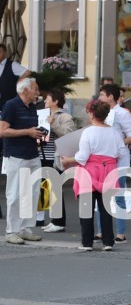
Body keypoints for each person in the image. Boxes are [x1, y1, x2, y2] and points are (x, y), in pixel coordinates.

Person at [61, 101, 129, 251]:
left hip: (89, 171)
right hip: (109, 170)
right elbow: (122, 152)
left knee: (87, 208)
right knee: (105, 208)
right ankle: (108, 242)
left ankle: (87, 242)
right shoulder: (114, 132)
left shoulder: (88, 132)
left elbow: (82, 157)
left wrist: (68, 160)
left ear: (91, 113)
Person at [0, 78, 43, 244]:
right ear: (25, 90)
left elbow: (32, 131)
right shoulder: (11, 105)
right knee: (15, 194)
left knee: (32, 193)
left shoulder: (32, 107)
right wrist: (28, 132)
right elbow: (2, 131)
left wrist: (38, 136)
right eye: (35, 89)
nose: (38, 93)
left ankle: (25, 228)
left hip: (32, 154)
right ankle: (11, 231)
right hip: (16, 156)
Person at [97, 83, 131, 242]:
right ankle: (101, 231)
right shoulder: (100, 112)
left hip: (119, 160)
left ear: (110, 97)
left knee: (119, 196)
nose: (99, 98)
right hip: (103, 160)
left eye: (101, 95)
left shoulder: (122, 113)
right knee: (101, 196)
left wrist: (117, 143)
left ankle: (120, 233)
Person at [40, 89, 77, 233]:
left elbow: (69, 134)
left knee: (55, 188)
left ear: (55, 101)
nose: (44, 101)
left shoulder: (64, 116)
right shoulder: (43, 115)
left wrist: (53, 123)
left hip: (54, 156)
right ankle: (54, 219)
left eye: (47, 99)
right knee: (47, 189)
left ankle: (59, 221)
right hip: (43, 154)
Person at [0, 43, 30, 109]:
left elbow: (27, 72)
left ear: (5, 53)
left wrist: (19, 80)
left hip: (9, 102)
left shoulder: (12, 65)